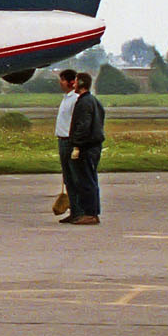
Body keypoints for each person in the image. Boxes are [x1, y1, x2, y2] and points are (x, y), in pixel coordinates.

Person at [67, 71, 106, 225]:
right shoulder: (94, 101)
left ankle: (90, 213)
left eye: (75, 81)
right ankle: (91, 212)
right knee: (90, 179)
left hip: (86, 147)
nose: (73, 84)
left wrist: (76, 143)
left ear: (81, 83)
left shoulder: (83, 102)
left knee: (86, 181)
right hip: (94, 146)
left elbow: (83, 125)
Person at [55, 68, 81, 223]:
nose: (60, 82)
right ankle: (74, 210)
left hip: (69, 141)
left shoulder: (75, 99)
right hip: (62, 140)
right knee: (67, 178)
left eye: (62, 80)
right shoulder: (66, 98)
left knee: (73, 177)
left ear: (71, 82)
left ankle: (78, 210)